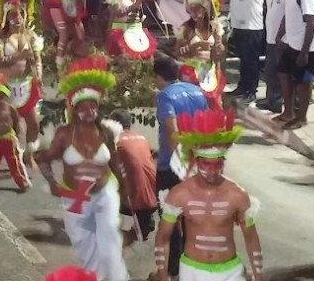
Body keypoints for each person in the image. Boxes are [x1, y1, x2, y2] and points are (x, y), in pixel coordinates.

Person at [36, 56, 129, 280]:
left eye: (93, 105)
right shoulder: (64, 134)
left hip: (105, 193)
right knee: (86, 249)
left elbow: (115, 161)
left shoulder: (105, 132)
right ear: (74, 109)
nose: (89, 110)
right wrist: (52, 183)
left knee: (110, 242)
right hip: (75, 198)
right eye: (84, 106)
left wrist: (125, 189)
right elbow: (43, 158)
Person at [154, 109, 263, 281]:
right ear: (196, 161)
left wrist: (258, 275)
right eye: (206, 164)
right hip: (191, 271)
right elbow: (163, 237)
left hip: (230, 272)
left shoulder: (237, 195)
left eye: (217, 164)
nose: (212, 171)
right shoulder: (179, 194)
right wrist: (162, 274)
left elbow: (251, 237)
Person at [153, 55, 209, 280]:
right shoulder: (196, 91)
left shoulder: (165, 96)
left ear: (158, 76)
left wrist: (177, 164)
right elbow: (205, 125)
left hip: (173, 168)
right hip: (197, 164)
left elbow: (172, 132)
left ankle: (174, 270)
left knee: (170, 219)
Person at [0, 0, 44, 167]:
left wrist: (39, 75)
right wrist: (20, 55)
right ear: (6, 17)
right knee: (11, 125)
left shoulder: (31, 36)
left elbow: (37, 59)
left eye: (20, 14)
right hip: (7, 86)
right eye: (12, 15)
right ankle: (4, 155)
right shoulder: (0, 38)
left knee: (34, 121)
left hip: (27, 84)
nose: (16, 18)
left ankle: (29, 154)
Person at [276, 0, 314, 129]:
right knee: (282, 73)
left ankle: (301, 117)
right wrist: (281, 34)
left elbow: (310, 23)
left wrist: (304, 52)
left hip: (306, 46)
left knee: (304, 83)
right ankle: (288, 111)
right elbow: (288, 15)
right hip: (292, 43)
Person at [106, 110, 158, 248]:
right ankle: (144, 222)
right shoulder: (141, 137)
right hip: (154, 195)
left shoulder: (114, 141)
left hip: (134, 199)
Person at [176, 0, 227, 108]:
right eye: (190, 11)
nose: (194, 15)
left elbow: (218, 56)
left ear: (205, 9)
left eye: (197, 10)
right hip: (192, 73)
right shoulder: (185, 29)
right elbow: (178, 53)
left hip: (210, 72)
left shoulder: (215, 27)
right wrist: (193, 48)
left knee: (214, 107)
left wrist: (219, 50)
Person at [223, 0, 264, 105]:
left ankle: (250, 91)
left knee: (250, 61)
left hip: (251, 26)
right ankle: (242, 87)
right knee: (243, 60)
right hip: (240, 24)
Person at [258, 0, 291, 113]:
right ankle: (271, 99)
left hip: (282, 39)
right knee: (270, 71)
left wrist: (281, 35)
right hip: (270, 36)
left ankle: (277, 102)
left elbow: (288, 15)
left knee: (280, 72)